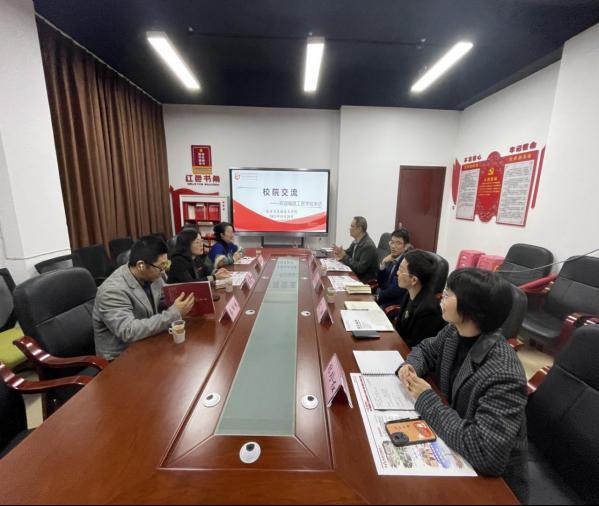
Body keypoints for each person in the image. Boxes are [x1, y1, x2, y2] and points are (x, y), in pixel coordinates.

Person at [397, 268, 528, 503]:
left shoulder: (504, 372)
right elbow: (425, 349)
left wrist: (427, 399)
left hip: (493, 486)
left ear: (472, 309)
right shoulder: (454, 331)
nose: (442, 297)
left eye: (449, 294)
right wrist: (411, 365)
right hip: (454, 440)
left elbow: (486, 454)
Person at [93, 235, 195, 360]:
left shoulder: (153, 273)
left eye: (166, 264)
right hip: (120, 357)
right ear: (141, 265)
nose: (164, 271)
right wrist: (174, 313)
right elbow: (128, 331)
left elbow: (163, 299)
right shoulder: (112, 291)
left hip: (147, 342)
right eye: (161, 266)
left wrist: (182, 301)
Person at [394, 249, 445, 347]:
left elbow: (417, 346)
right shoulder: (410, 293)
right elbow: (399, 328)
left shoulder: (428, 310)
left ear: (413, 280)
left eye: (401, 270)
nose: (397, 273)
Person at [332, 216, 378, 283]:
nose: (350, 228)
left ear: (359, 229)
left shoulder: (368, 246)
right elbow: (349, 253)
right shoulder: (357, 241)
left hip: (364, 282)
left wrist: (343, 256)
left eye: (352, 226)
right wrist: (340, 251)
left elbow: (360, 268)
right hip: (354, 275)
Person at [376, 228, 412, 309]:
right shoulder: (393, 258)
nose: (393, 246)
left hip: (393, 305)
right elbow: (381, 284)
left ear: (406, 247)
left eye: (398, 243)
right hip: (385, 299)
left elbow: (394, 291)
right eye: (392, 242)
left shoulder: (405, 263)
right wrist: (383, 263)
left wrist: (377, 296)